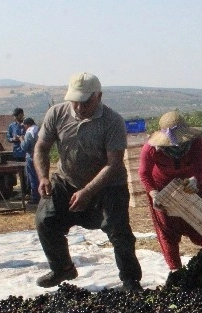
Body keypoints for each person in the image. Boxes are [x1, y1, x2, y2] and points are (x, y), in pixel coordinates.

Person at [33, 72, 143, 291]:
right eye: (75, 101)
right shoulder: (57, 114)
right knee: (45, 219)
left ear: (98, 96)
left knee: (118, 230)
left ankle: (131, 281)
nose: (79, 107)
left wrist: (88, 191)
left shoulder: (112, 121)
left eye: (85, 102)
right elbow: (41, 147)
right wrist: (43, 176)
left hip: (108, 184)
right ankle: (62, 268)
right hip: (67, 179)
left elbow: (113, 164)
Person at [138, 111, 202, 271]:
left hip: (191, 187)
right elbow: (144, 173)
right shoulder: (151, 149)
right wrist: (154, 193)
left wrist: (195, 180)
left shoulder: (197, 143)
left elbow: (200, 169)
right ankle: (175, 268)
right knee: (167, 229)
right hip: (163, 188)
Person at [19, 117, 40, 204]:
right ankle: (41, 195)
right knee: (40, 176)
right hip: (41, 156)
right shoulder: (39, 129)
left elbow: (24, 147)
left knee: (32, 177)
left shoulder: (29, 132)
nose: (24, 127)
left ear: (27, 125)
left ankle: (35, 197)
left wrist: (21, 140)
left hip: (31, 156)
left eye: (24, 125)